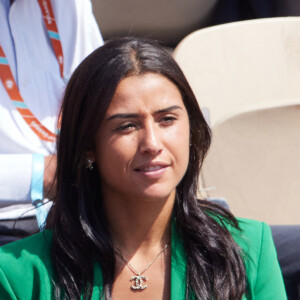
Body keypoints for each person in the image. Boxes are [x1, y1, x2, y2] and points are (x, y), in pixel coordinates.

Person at [0, 38, 286, 299]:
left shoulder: (249, 249)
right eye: (127, 126)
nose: (152, 143)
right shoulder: (18, 274)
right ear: (88, 146)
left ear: (192, 129)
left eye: (167, 120)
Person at [0, 0, 103, 243]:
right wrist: (46, 175)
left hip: (80, 211)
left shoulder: (70, 4)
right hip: (8, 223)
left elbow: (104, 95)